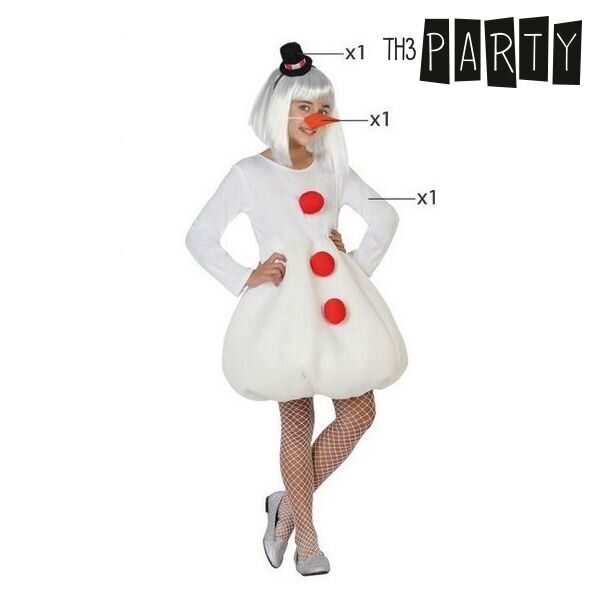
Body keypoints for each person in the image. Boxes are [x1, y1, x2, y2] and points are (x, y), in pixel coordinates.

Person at [185, 42, 408, 575]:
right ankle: (306, 539)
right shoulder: (249, 173)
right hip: (285, 314)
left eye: (323, 108)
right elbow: (200, 236)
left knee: (359, 412)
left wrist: (353, 267)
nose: (315, 118)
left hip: (337, 313)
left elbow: (386, 219)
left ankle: (285, 506)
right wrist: (245, 275)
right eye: (303, 107)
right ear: (278, 108)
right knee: (296, 418)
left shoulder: (334, 169)